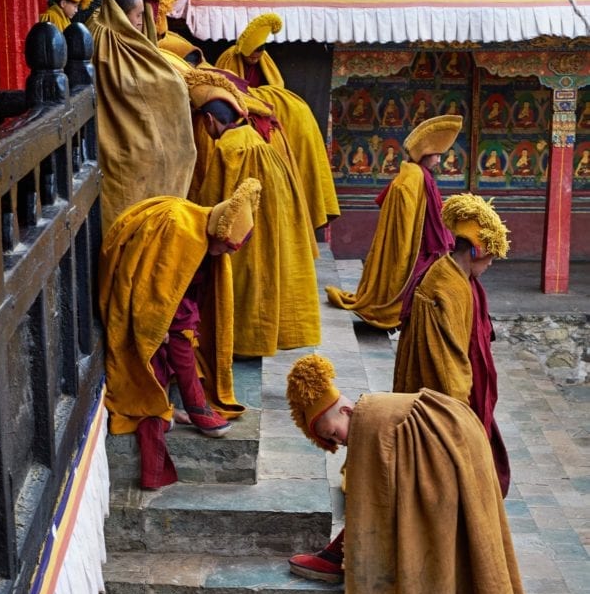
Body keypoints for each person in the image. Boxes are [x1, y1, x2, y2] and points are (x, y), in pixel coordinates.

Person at [285, 356, 525, 594]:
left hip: (454, 448)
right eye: (333, 442)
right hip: (463, 441)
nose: (340, 442)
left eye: (334, 433)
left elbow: (373, 502)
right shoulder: (377, 418)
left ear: (346, 411)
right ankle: (336, 552)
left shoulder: (371, 422)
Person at [99, 179, 261, 488]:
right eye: (226, 247)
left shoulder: (203, 230)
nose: (224, 254)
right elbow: (153, 287)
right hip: (134, 291)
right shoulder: (180, 230)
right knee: (181, 332)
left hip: (168, 296)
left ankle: (179, 404)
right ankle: (195, 407)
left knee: (184, 326)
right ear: (219, 232)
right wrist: (155, 326)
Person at [186, 68, 321, 358]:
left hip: (244, 229)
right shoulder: (256, 139)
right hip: (272, 224)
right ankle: (255, 340)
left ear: (209, 121)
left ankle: (240, 343)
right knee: (265, 279)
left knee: (245, 280)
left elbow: (212, 200)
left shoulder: (229, 148)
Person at [393, 193, 512, 497]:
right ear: (475, 250)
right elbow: (447, 362)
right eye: (489, 259)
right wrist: (462, 416)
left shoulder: (460, 279)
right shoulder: (445, 288)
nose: (489, 266)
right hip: (446, 395)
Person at [325, 115, 462, 332]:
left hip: (419, 241)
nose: (438, 160)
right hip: (414, 245)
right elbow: (408, 221)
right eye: (436, 155)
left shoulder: (417, 173)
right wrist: (406, 252)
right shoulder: (413, 177)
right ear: (425, 154)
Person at [214, 13, 340, 232]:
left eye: (261, 50)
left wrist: (267, 97)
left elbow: (277, 89)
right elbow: (225, 91)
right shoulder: (229, 58)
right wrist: (260, 97)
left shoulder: (265, 62)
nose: (257, 55)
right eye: (254, 50)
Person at [86, 0, 197, 233]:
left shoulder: (94, 28)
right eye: (137, 15)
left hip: (104, 151)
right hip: (129, 153)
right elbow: (143, 89)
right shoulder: (117, 44)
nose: (140, 21)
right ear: (119, 15)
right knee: (138, 221)